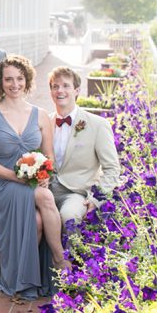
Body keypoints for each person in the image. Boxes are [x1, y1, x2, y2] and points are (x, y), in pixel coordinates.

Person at [0, 55, 71, 301]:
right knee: (45, 197)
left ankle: (22, 277)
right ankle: (60, 259)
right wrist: (18, 178)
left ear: (27, 80)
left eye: (19, 78)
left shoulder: (40, 115)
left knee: (38, 220)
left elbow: (48, 155)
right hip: (2, 183)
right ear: (0, 82)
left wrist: (45, 174)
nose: (14, 84)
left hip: (32, 181)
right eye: (8, 79)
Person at [48, 67, 120, 225]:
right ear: (51, 91)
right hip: (46, 190)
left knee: (70, 217)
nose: (60, 91)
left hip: (76, 194)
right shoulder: (44, 122)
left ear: (77, 90)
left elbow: (112, 169)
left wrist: (96, 199)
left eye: (66, 85)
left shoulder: (98, 124)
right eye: (55, 86)